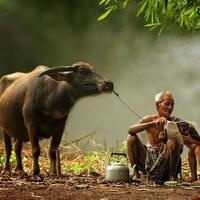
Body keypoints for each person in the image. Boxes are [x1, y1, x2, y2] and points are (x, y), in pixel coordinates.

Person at [127, 91, 183, 183]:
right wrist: (152, 124)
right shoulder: (149, 119)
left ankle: (171, 177)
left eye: (172, 105)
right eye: (167, 104)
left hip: (165, 161)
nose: (170, 108)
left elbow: (180, 149)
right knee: (131, 138)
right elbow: (130, 130)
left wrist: (165, 141)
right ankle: (136, 175)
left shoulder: (174, 123)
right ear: (157, 105)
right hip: (148, 159)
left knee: (172, 142)